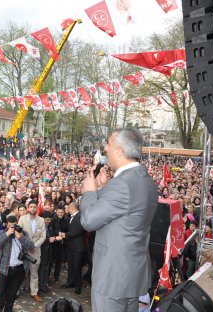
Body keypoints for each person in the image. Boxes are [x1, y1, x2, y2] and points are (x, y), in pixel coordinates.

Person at [80, 128, 158, 312]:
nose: (106, 148)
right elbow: (126, 212)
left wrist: (90, 192)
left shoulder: (122, 184)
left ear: (119, 151)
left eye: (109, 143)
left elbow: (89, 221)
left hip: (113, 278)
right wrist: (105, 188)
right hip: (132, 275)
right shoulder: (145, 180)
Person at [0, 215, 36, 312]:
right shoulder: (3, 232)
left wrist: (20, 236)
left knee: (12, 294)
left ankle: (8, 310)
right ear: (7, 225)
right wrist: (7, 234)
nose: (13, 227)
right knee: (0, 294)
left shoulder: (22, 233)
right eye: (10, 226)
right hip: (4, 269)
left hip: (19, 269)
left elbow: (31, 246)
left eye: (14, 225)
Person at [18, 199, 46, 302]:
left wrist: (34, 246)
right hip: (24, 251)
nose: (33, 208)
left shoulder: (41, 220)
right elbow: (18, 234)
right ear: (28, 208)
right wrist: (28, 245)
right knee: (21, 272)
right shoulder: (22, 218)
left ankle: (34, 292)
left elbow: (43, 236)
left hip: (35, 251)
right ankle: (18, 290)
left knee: (34, 273)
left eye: (35, 207)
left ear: (37, 208)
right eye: (31, 207)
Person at [58, 202, 86, 295]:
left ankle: (78, 287)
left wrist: (65, 235)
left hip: (78, 247)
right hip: (70, 246)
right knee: (71, 266)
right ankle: (70, 282)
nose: (66, 210)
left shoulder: (80, 216)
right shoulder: (71, 217)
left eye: (67, 208)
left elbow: (78, 230)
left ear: (72, 208)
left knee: (77, 267)